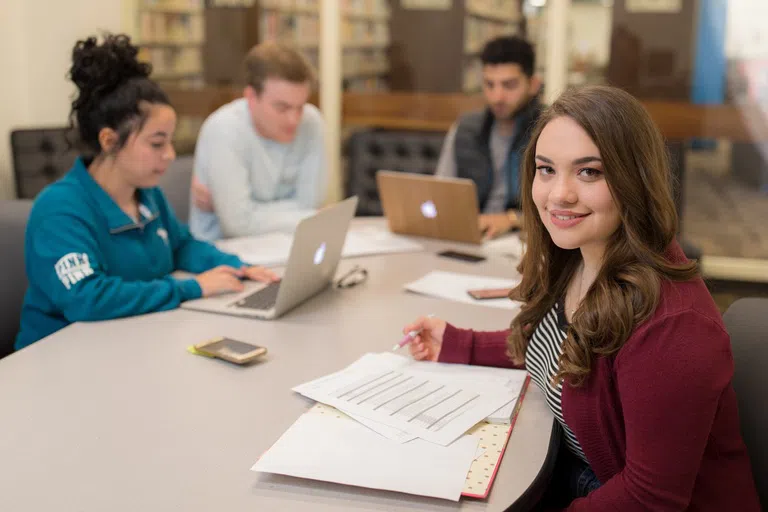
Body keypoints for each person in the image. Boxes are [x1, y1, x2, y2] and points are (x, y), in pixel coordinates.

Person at [404, 85, 759, 510]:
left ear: (635, 179)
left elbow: (649, 500)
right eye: (547, 169)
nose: (559, 195)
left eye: (589, 172)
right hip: (583, 478)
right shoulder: (580, 255)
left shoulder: (674, 328)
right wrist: (461, 342)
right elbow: (558, 347)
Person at [15, 34, 278, 350]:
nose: (169, 154)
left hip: (133, 343)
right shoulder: (59, 208)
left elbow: (181, 247)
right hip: (61, 361)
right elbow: (87, 297)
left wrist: (237, 266)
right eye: (157, 143)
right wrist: (191, 288)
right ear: (110, 141)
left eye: (170, 141)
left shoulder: (147, 194)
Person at [189, 41, 327, 241]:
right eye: (282, 108)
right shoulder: (224, 128)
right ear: (251, 97)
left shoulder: (312, 121)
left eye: (300, 107)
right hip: (223, 253)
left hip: (288, 245)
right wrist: (307, 215)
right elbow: (236, 226)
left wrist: (249, 211)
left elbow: (310, 204)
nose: (294, 119)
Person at [435, 36, 542, 239]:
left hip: (524, 240)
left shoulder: (548, 131)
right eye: (489, 84)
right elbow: (441, 193)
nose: (497, 97)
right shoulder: (464, 128)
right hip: (472, 235)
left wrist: (512, 219)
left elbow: (563, 210)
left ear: (533, 84)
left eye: (509, 85)